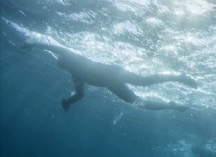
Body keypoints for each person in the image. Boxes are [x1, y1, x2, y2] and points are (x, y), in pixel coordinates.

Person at [22, 42, 197, 111]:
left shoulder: (73, 59)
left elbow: (51, 46)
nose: (63, 61)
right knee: (139, 102)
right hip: (111, 82)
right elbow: (80, 94)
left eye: (62, 60)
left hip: (113, 73)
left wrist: (32, 44)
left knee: (144, 82)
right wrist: (69, 101)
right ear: (64, 66)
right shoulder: (75, 74)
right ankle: (171, 105)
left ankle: (179, 76)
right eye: (63, 63)